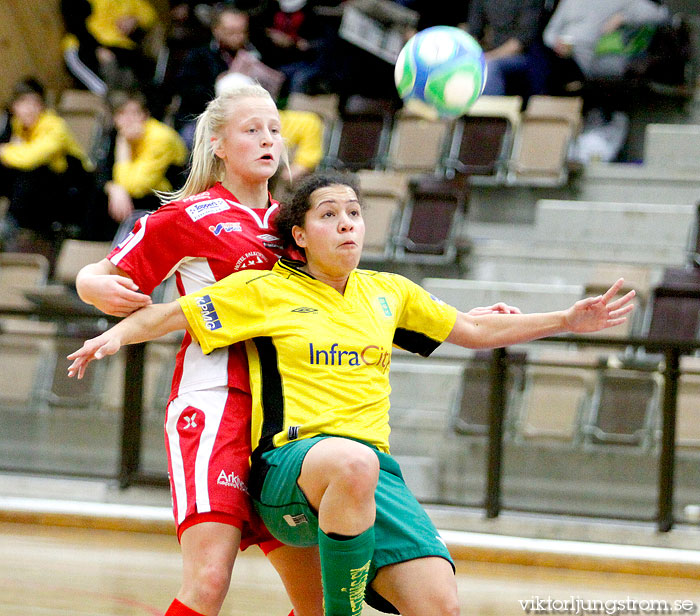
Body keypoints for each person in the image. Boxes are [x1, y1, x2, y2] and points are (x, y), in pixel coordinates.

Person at [67, 172, 636, 615]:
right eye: (329, 215)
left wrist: (565, 318)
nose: (347, 225)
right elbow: (167, 316)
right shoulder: (264, 288)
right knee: (351, 465)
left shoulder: (388, 294)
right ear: (298, 234)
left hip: (370, 474)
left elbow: (475, 330)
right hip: (289, 465)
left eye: (355, 214)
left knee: (441, 602)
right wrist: (111, 336)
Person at [74, 83, 324, 616]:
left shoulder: (296, 226)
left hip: (286, 417)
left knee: (321, 601)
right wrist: (88, 283)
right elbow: (99, 274)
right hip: (215, 402)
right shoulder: (190, 214)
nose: (268, 140)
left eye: (275, 130)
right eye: (252, 130)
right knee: (210, 581)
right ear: (217, 143)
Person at [0, 78, 91, 259]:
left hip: (73, 191)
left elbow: (31, 158)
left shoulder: (55, 126)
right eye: (23, 103)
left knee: (29, 174)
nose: (29, 109)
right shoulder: (18, 126)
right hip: (39, 193)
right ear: (14, 107)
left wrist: (5, 150)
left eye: (35, 103)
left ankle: (12, 228)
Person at [84, 89, 188, 240]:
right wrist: (113, 188)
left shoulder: (160, 137)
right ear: (114, 119)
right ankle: (90, 248)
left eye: (135, 113)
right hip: (139, 194)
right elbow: (100, 172)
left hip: (169, 200)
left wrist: (123, 146)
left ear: (145, 115)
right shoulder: (116, 134)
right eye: (122, 114)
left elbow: (135, 187)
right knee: (95, 195)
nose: (129, 120)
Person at [542, 0, 669, 83]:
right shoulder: (569, 2)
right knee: (541, 59)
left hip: (597, 54)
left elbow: (660, 14)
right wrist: (556, 44)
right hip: (563, 53)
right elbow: (549, 33)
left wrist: (624, 17)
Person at [467, 0, 551, 99]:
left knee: (489, 66)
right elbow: (473, 32)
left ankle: (493, 112)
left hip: (526, 56)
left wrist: (489, 57)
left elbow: (521, 41)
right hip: (490, 52)